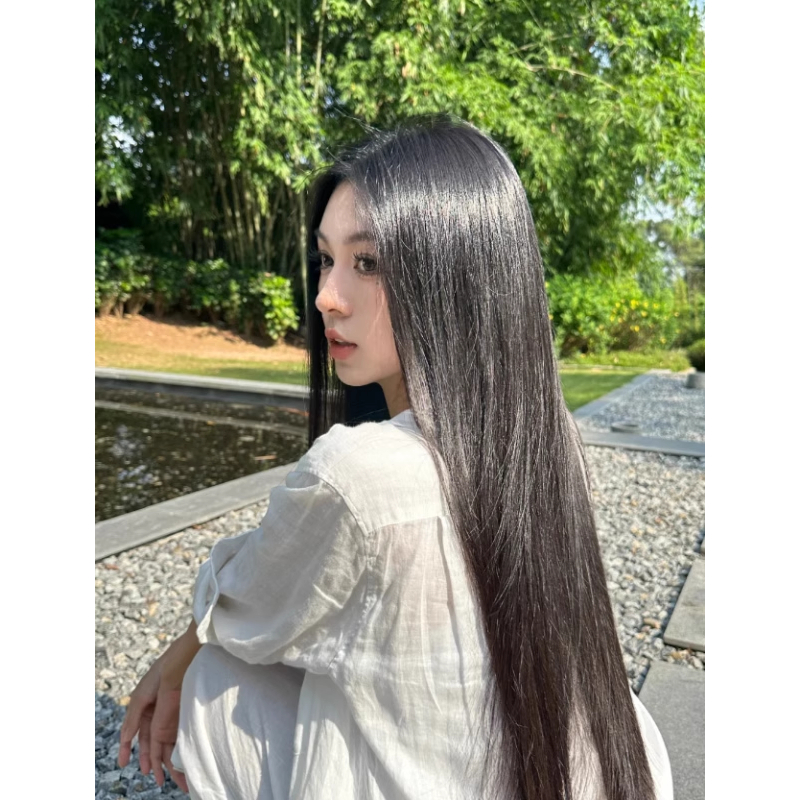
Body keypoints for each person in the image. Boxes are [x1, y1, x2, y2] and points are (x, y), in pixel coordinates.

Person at [119, 114, 673, 800]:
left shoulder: (359, 473)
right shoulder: (546, 438)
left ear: (458, 276)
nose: (325, 296)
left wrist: (179, 656)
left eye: (368, 263)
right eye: (325, 259)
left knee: (215, 677)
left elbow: (245, 605)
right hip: (604, 771)